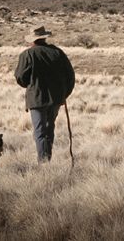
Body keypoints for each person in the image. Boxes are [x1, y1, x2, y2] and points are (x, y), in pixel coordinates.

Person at [14, 25, 75, 163]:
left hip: (36, 99)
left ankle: (43, 163)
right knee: (49, 129)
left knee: (40, 132)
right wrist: (64, 95)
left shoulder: (27, 55)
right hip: (55, 100)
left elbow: (20, 78)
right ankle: (47, 159)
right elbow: (70, 76)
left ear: (32, 40)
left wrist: (31, 84)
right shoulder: (58, 53)